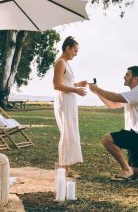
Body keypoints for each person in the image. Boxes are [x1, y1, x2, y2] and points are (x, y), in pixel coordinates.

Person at [53, 36, 87, 178]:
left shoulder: (66, 63)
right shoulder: (60, 63)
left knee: (70, 132)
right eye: (75, 50)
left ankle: (66, 167)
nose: (76, 53)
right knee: (67, 133)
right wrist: (76, 91)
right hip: (64, 102)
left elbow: (65, 83)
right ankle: (63, 167)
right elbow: (57, 85)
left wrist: (77, 84)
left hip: (70, 102)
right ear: (68, 48)